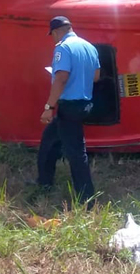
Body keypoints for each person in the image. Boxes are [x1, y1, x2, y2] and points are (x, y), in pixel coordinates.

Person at [36, 16, 101, 206]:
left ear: (56, 32)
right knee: (49, 141)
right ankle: (44, 182)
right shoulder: (89, 47)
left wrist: (49, 107)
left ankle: (86, 199)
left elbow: (61, 78)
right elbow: (96, 77)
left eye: (52, 35)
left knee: (76, 153)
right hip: (84, 105)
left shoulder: (63, 48)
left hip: (69, 105)